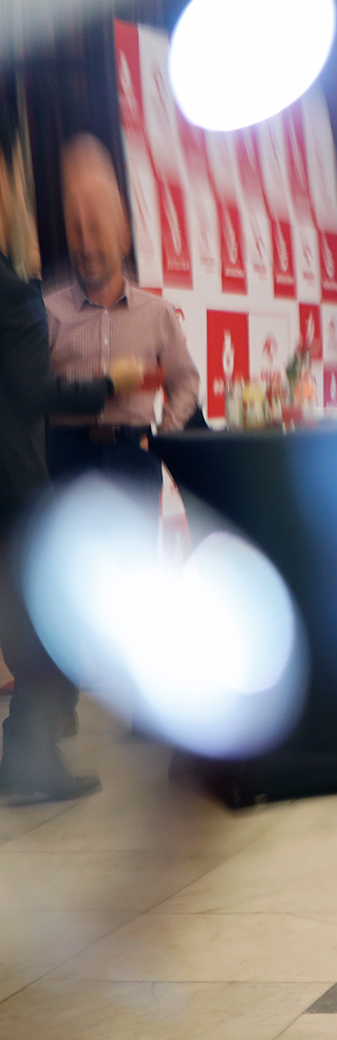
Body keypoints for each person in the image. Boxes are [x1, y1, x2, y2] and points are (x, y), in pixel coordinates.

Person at [1, 234, 142, 803]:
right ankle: (31, 760)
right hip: (13, 484)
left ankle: (21, 754)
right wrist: (111, 383)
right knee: (45, 623)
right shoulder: (12, 293)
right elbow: (37, 390)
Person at [43, 135, 199, 496]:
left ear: (124, 236)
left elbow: (185, 382)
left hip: (134, 455)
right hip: (66, 460)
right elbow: (34, 394)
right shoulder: (47, 312)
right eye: (76, 231)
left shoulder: (157, 314)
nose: (86, 245)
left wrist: (161, 436)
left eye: (97, 229)